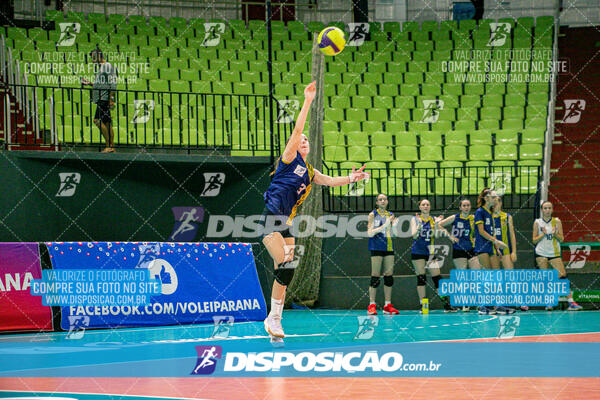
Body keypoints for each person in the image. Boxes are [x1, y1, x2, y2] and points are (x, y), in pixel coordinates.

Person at [260, 81, 370, 344]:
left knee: (287, 271)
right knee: (285, 264)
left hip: (287, 222)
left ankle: (274, 319)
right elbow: (298, 129)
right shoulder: (288, 159)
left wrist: (352, 178)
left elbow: (331, 181)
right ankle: (272, 317)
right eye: (303, 140)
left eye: (308, 140)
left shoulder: (310, 172)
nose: (305, 141)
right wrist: (308, 100)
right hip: (270, 220)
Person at [533, 201, 582, 311]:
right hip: (541, 253)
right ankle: (549, 302)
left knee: (562, 275)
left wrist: (555, 234)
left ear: (552, 209)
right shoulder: (537, 222)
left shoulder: (557, 221)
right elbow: (534, 240)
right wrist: (543, 234)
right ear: (542, 210)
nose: (547, 210)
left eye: (549, 208)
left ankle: (571, 302)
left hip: (554, 253)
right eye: (545, 208)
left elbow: (561, 239)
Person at [410, 199, 457, 312]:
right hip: (417, 252)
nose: (425, 206)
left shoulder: (433, 220)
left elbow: (436, 235)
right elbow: (414, 236)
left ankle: (446, 305)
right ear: (420, 207)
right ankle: (424, 305)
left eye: (427, 204)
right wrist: (419, 226)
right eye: (423, 204)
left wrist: (436, 225)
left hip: (430, 252)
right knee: (421, 278)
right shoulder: (415, 219)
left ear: (430, 207)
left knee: (437, 278)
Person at [438, 198, 481, 312]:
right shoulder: (455, 218)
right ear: (460, 207)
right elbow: (439, 225)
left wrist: (476, 239)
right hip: (458, 250)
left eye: (468, 205)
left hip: (472, 249)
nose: (466, 207)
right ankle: (465, 303)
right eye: (464, 205)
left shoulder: (474, 218)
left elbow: (480, 230)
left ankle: (479, 303)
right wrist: (450, 237)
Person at [474, 188, 511, 315]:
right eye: (493, 196)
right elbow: (481, 231)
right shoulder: (480, 212)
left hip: (491, 247)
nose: (495, 198)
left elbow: (492, 231)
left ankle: (499, 305)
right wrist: (496, 242)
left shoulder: (490, 213)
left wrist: (496, 248)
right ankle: (485, 306)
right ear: (486, 198)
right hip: (482, 247)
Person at [367, 193, 400, 315]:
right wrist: (385, 225)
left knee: (389, 276)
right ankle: (372, 304)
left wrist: (394, 226)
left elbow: (394, 234)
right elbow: (370, 233)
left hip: (389, 247)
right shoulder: (372, 214)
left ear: (387, 202)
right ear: (376, 202)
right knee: (375, 276)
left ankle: (388, 305)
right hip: (376, 247)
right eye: (380, 199)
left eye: (384, 199)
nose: (382, 201)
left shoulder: (390, 215)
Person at [81, 47, 117, 153]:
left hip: (104, 98)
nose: (92, 60)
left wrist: (111, 99)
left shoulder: (107, 66)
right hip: (102, 97)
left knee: (97, 121)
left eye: (93, 58)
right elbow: (102, 84)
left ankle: (108, 146)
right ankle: (111, 147)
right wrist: (90, 83)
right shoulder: (102, 67)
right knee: (107, 123)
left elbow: (113, 83)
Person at [491, 196, 521, 312]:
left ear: (501, 203)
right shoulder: (488, 217)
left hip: (505, 250)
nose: (496, 204)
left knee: (510, 275)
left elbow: (512, 234)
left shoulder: (507, 217)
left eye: (498, 202)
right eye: (493, 202)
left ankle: (519, 301)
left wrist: (514, 251)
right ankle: (496, 303)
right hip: (493, 251)